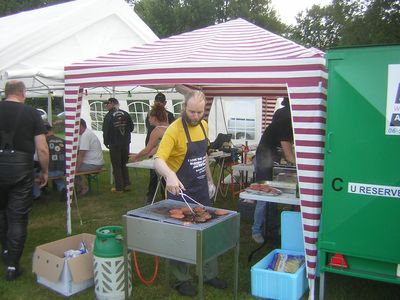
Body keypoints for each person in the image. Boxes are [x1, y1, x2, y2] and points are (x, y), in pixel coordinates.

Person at [154, 90, 225, 297]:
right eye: (192, 111)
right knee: (181, 237)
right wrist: (170, 175)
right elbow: (158, 160)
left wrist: (210, 180)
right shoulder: (174, 130)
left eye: (199, 112)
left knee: (207, 232)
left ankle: (208, 274)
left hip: (201, 189)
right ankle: (181, 278)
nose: (195, 116)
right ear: (184, 107)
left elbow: (202, 155)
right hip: (180, 192)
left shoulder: (203, 126)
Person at [0, 80, 49, 281]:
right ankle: (12, 266)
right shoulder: (31, 113)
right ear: (23, 93)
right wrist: (45, 171)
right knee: (17, 217)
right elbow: (43, 148)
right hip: (21, 167)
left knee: (2, 212)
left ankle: (5, 251)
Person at [252, 97, 295, 244]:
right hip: (264, 157)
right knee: (264, 193)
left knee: (275, 193)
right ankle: (256, 230)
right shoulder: (286, 124)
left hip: (272, 156)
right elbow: (289, 156)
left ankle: (271, 226)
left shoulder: (288, 122)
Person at [145, 92, 175, 203]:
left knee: (165, 173)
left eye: (161, 102)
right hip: (153, 144)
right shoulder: (151, 114)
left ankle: (166, 195)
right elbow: (150, 130)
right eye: (157, 101)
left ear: (165, 103)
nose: (159, 104)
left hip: (164, 148)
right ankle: (151, 196)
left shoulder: (170, 115)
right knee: (153, 173)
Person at [102, 98, 134, 193]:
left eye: (107, 104)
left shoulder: (109, 116)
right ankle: (126, 184)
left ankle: (119, 187)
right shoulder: (126, 113)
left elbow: (106, 130)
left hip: (114, 142)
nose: (106, 106)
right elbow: (131, 128)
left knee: (116, 165)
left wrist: (105, 141)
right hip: (125, 142)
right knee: (124, 163)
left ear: (112, 103)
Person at [33, 123, 66, 201]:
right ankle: (63, 189)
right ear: (51, 130)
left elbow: (37, 158)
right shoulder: (63, 141)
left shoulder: (43, 142)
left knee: (32, 176)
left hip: (50, 171)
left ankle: (37, 195)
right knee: (58, 177)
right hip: (62, 170)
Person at [76, 119, 104, 195]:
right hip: (97, 162)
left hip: (93, 164)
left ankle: (83, 187)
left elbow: (81, 155)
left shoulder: (85, 135)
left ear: (80, 126)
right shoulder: (87, 133)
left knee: (69, 170)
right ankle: (80, 187)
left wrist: (76, 169)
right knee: (73, 168)